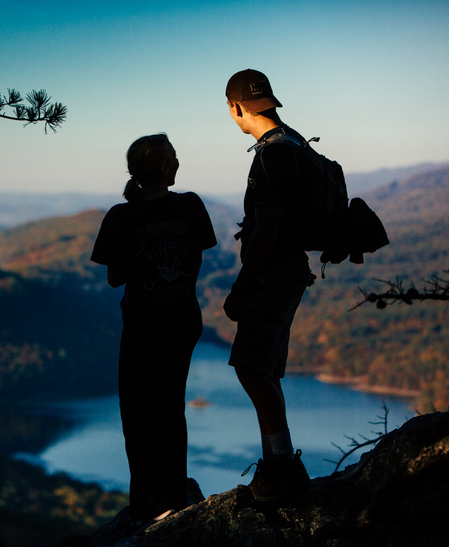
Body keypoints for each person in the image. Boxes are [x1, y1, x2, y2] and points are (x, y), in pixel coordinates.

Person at [91, 134, 217, 525]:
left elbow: (114, 278)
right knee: (170, 407)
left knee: (137, 412)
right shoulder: (191, 205)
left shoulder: (120, 216)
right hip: (182, 324)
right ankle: (175, 493)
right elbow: (199, 254)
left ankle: (150, 502)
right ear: (163, 168)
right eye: (174, 157)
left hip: (144, 329)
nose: (179, 162)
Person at [223, 69, 313, 502]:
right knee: (266, 368)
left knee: (251, 367)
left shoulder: (269, 156)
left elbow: (267, 229)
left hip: (272, 274)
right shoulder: (294, 141)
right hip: (292, 270)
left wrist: (242, 285)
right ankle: (274, 469)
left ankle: (281, 468)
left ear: (236, 107)